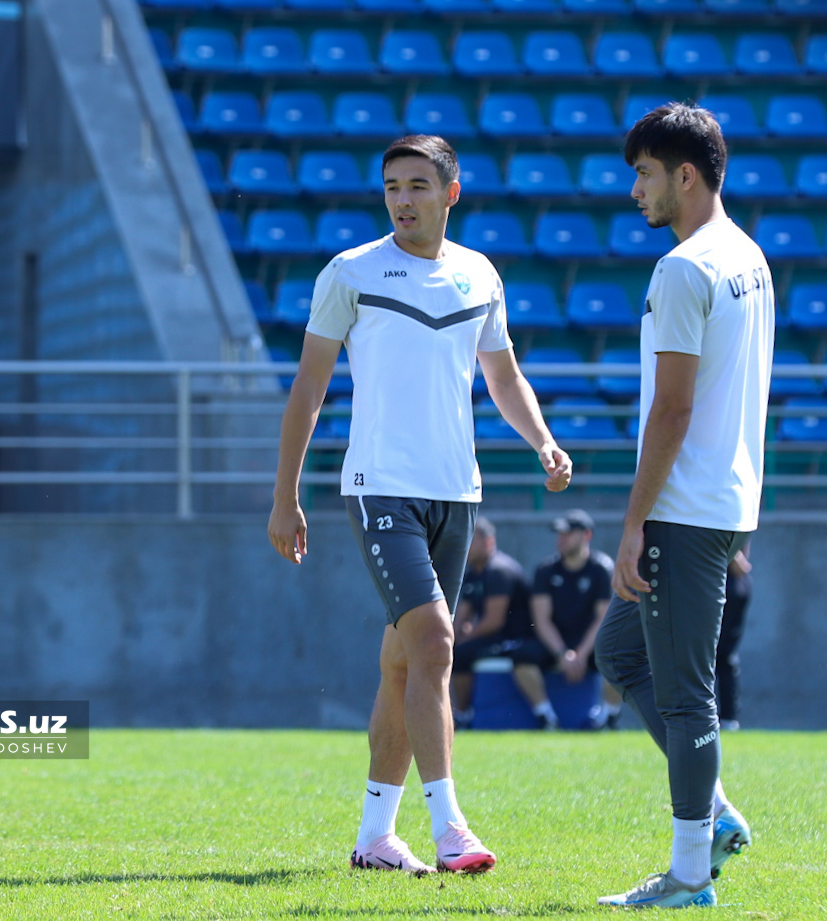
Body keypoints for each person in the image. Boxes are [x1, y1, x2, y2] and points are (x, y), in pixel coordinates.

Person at [266, 134, 572, 876]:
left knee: (403, 663)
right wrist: (285, 496)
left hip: (455, 492)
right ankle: (450, 828)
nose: (402, 200)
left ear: (450, 191)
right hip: (378, 488)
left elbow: (502, 377)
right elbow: (308, 388)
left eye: (416, 186)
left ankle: (375, 836)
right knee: (436, 640)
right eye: (391, 187)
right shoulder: (350, 272)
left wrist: (542, 440)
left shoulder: (479, 275)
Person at [594, 103, 775, 909]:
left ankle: (689, 873)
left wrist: (632, 523)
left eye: (644, 173)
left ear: (685, 175)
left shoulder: (682, 268)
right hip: (721, 502)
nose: (636, 189)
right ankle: (719, 816)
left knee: (683, 692)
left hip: (684, 507)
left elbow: (672, 410)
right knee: (619, 653)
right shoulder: (748, 256)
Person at [520, 509, 619, 731]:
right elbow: (541, 620)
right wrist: (562, 653)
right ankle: (546, 717)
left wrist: (581, 654)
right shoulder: (545, 570)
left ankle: (608, 717)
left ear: (586, 535)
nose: (561, 539)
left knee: (620, 655)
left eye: (568, 533)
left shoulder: (602, 569)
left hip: (590, 642)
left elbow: (603, 618)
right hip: (556, 642)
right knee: (521, 656)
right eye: (559, 534)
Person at [449, 518, 535, 729]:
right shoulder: (472, 572)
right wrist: (453, 636)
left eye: (471, 540)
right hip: (492, 638)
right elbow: (462, 616)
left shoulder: (499, 570)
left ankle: (462, 713)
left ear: (488, 542)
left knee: (460, 654)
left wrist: (464, 639)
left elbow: (493, 622)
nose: (465, 546)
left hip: (513, 639)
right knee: (448, 650)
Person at [714, 546, 752, 732]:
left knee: (723, 654)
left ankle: (728, 718)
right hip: (717, 585)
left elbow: (741, 566)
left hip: (730, 586)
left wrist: (732, 553)